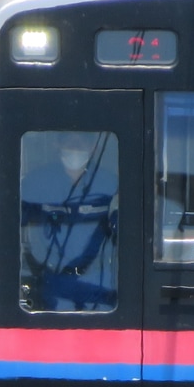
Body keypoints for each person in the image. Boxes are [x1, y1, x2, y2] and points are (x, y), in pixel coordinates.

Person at [19, 130, 118, 312]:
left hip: (99, 281)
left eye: (82, 142)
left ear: (93, 146)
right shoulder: (35, 182)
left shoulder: (110, 183)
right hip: (51, 281)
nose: (75, 147)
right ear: (57, 144)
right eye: (69, 141)